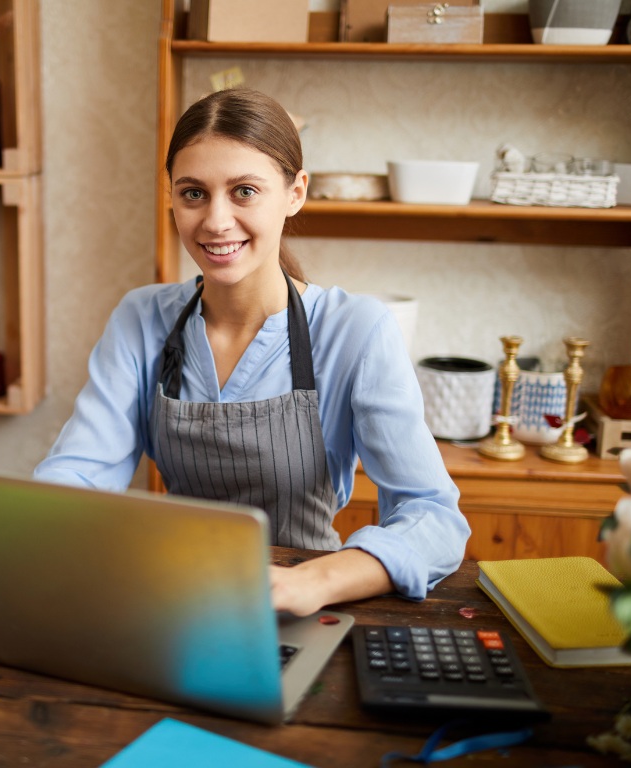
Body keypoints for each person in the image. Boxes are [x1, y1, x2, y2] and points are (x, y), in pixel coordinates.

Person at [35, 88, 469, 617]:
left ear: (295, 193)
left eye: (244, 191)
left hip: (301, 610)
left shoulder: (356, 330)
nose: (216, 221)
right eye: (193, 193)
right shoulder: (142, 319)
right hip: (177, 599)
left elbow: (434, 517)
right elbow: (77, 475)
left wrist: (318, 581)